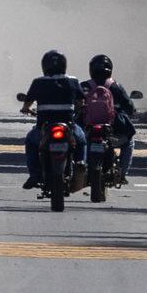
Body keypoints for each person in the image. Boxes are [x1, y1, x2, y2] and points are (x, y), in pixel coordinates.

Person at [19, 50, 87, 190]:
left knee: (31, 141)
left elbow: (27, 104)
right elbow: (81, 103)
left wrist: (26, 109)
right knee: (82, 140)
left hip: (44, 127)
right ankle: (81, 164)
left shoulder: (38, 82)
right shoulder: (73, 81)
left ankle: (34, 174)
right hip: (69, 127)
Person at [80, 54, 138, 184]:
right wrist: (132, 111)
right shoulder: (116, 86)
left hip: (87, 130)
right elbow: (129, 107)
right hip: (112, 131)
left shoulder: (84, 86)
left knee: (77, 144)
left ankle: (78, 169)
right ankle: (122, 174)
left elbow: (74, 105)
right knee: (129, 142)